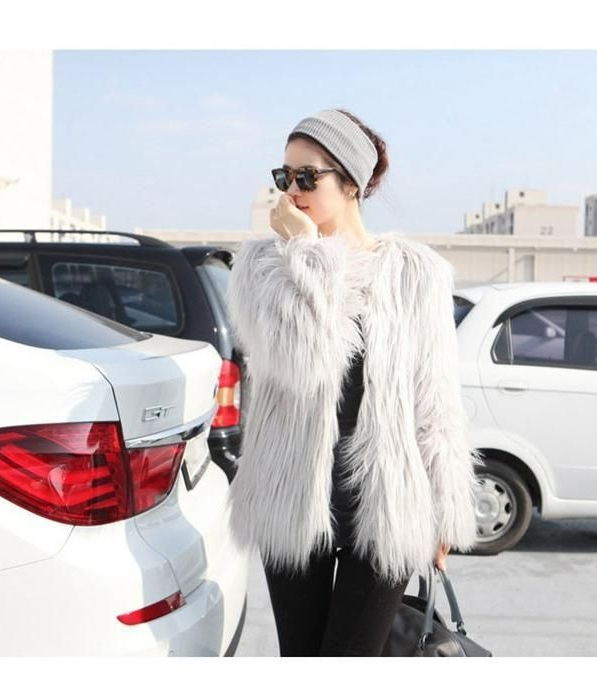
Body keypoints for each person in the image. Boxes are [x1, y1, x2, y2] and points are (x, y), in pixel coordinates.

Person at [225, 108, 484, 656]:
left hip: (387, 500)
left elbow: (435, 398)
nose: (291, 191)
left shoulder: (416, 273)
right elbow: (303, 360)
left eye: (306, 176)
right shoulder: (264, 265)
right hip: (293, 495)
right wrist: (306, 254)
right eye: (283, 176)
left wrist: (444, 510)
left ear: (351, 183)